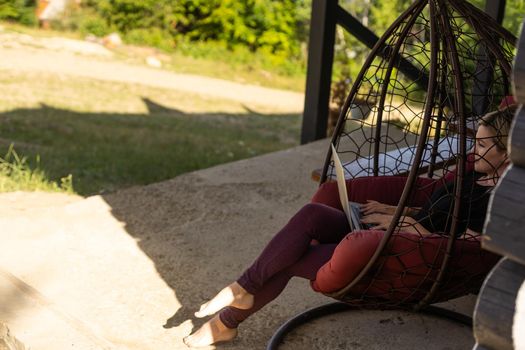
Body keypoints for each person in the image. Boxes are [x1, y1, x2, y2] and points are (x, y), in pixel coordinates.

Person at [182, 105, 516, 347]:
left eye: (483, 145)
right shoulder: (474, 173)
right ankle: (241, 291)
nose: (473, 151)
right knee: (312, 215)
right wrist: (392, 209)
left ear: (509, 152)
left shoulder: (500, 201)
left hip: (395, 252)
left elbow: (456, 243)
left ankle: (229, 319)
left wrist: (400, 223)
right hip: (384, 228)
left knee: (294, 258)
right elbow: (436, 208)